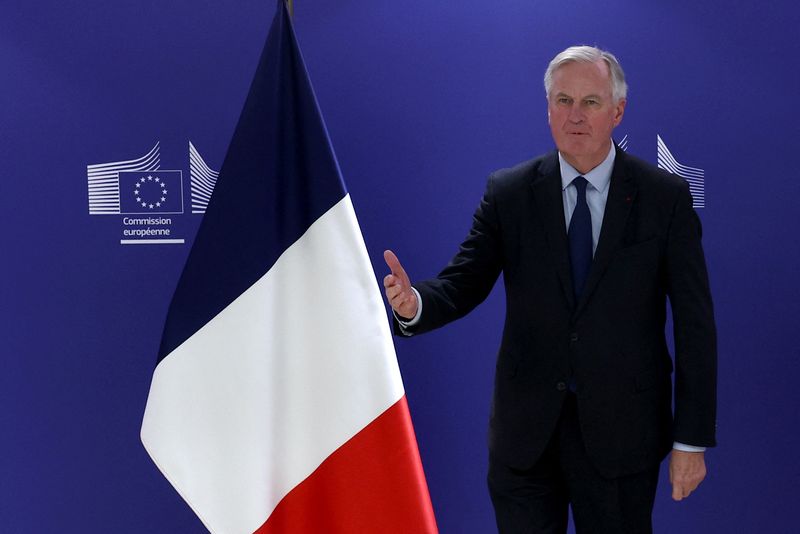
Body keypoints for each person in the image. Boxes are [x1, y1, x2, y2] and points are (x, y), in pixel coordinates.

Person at [382, 45, 716, 534]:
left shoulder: (663, 198)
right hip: (525, 438)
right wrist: (416, 305)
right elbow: (463, 281)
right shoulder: (510, 192)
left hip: (622, 434)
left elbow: (695, 324)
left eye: (590, 102)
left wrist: (690, 440)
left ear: (618, 111)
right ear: (547, 109)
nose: (574, 115)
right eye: (563, 100)